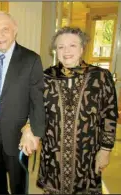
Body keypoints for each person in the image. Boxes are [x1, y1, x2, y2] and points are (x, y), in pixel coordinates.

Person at [35, 26, 118, 194]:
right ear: (55, 51)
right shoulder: (45, 77)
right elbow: (35, 111)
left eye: (72, 45)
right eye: (61, 46)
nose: (66, 51)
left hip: (87, 156)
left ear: (82, 48)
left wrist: (105, 150)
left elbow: (109, 115)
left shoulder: (100, 76)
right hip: (53, 156)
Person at [0, 11, 45, 194]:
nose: (0, 35)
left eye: (5, 29)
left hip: (17, 133)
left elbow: (38, 100)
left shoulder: (31, 59)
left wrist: (35, 132)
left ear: (15, 30)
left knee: (18, 182)